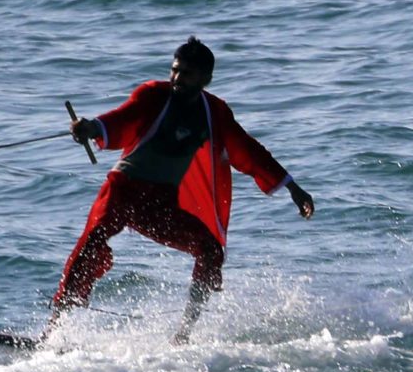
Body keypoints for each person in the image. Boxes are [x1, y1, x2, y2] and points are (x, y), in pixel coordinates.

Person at [56, 37, 314, 340]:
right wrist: (92, 128)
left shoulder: (214, 113)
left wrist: (291, 187)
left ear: (206, 78)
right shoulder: (153, 95)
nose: (177, 78)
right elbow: (124, 118)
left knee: (210, 250)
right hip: (122, 191)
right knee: (92, 241)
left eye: (186, 73)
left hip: (160, 204)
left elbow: (248, 151)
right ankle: (53, 330)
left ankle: (183, 335)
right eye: (174, 70)